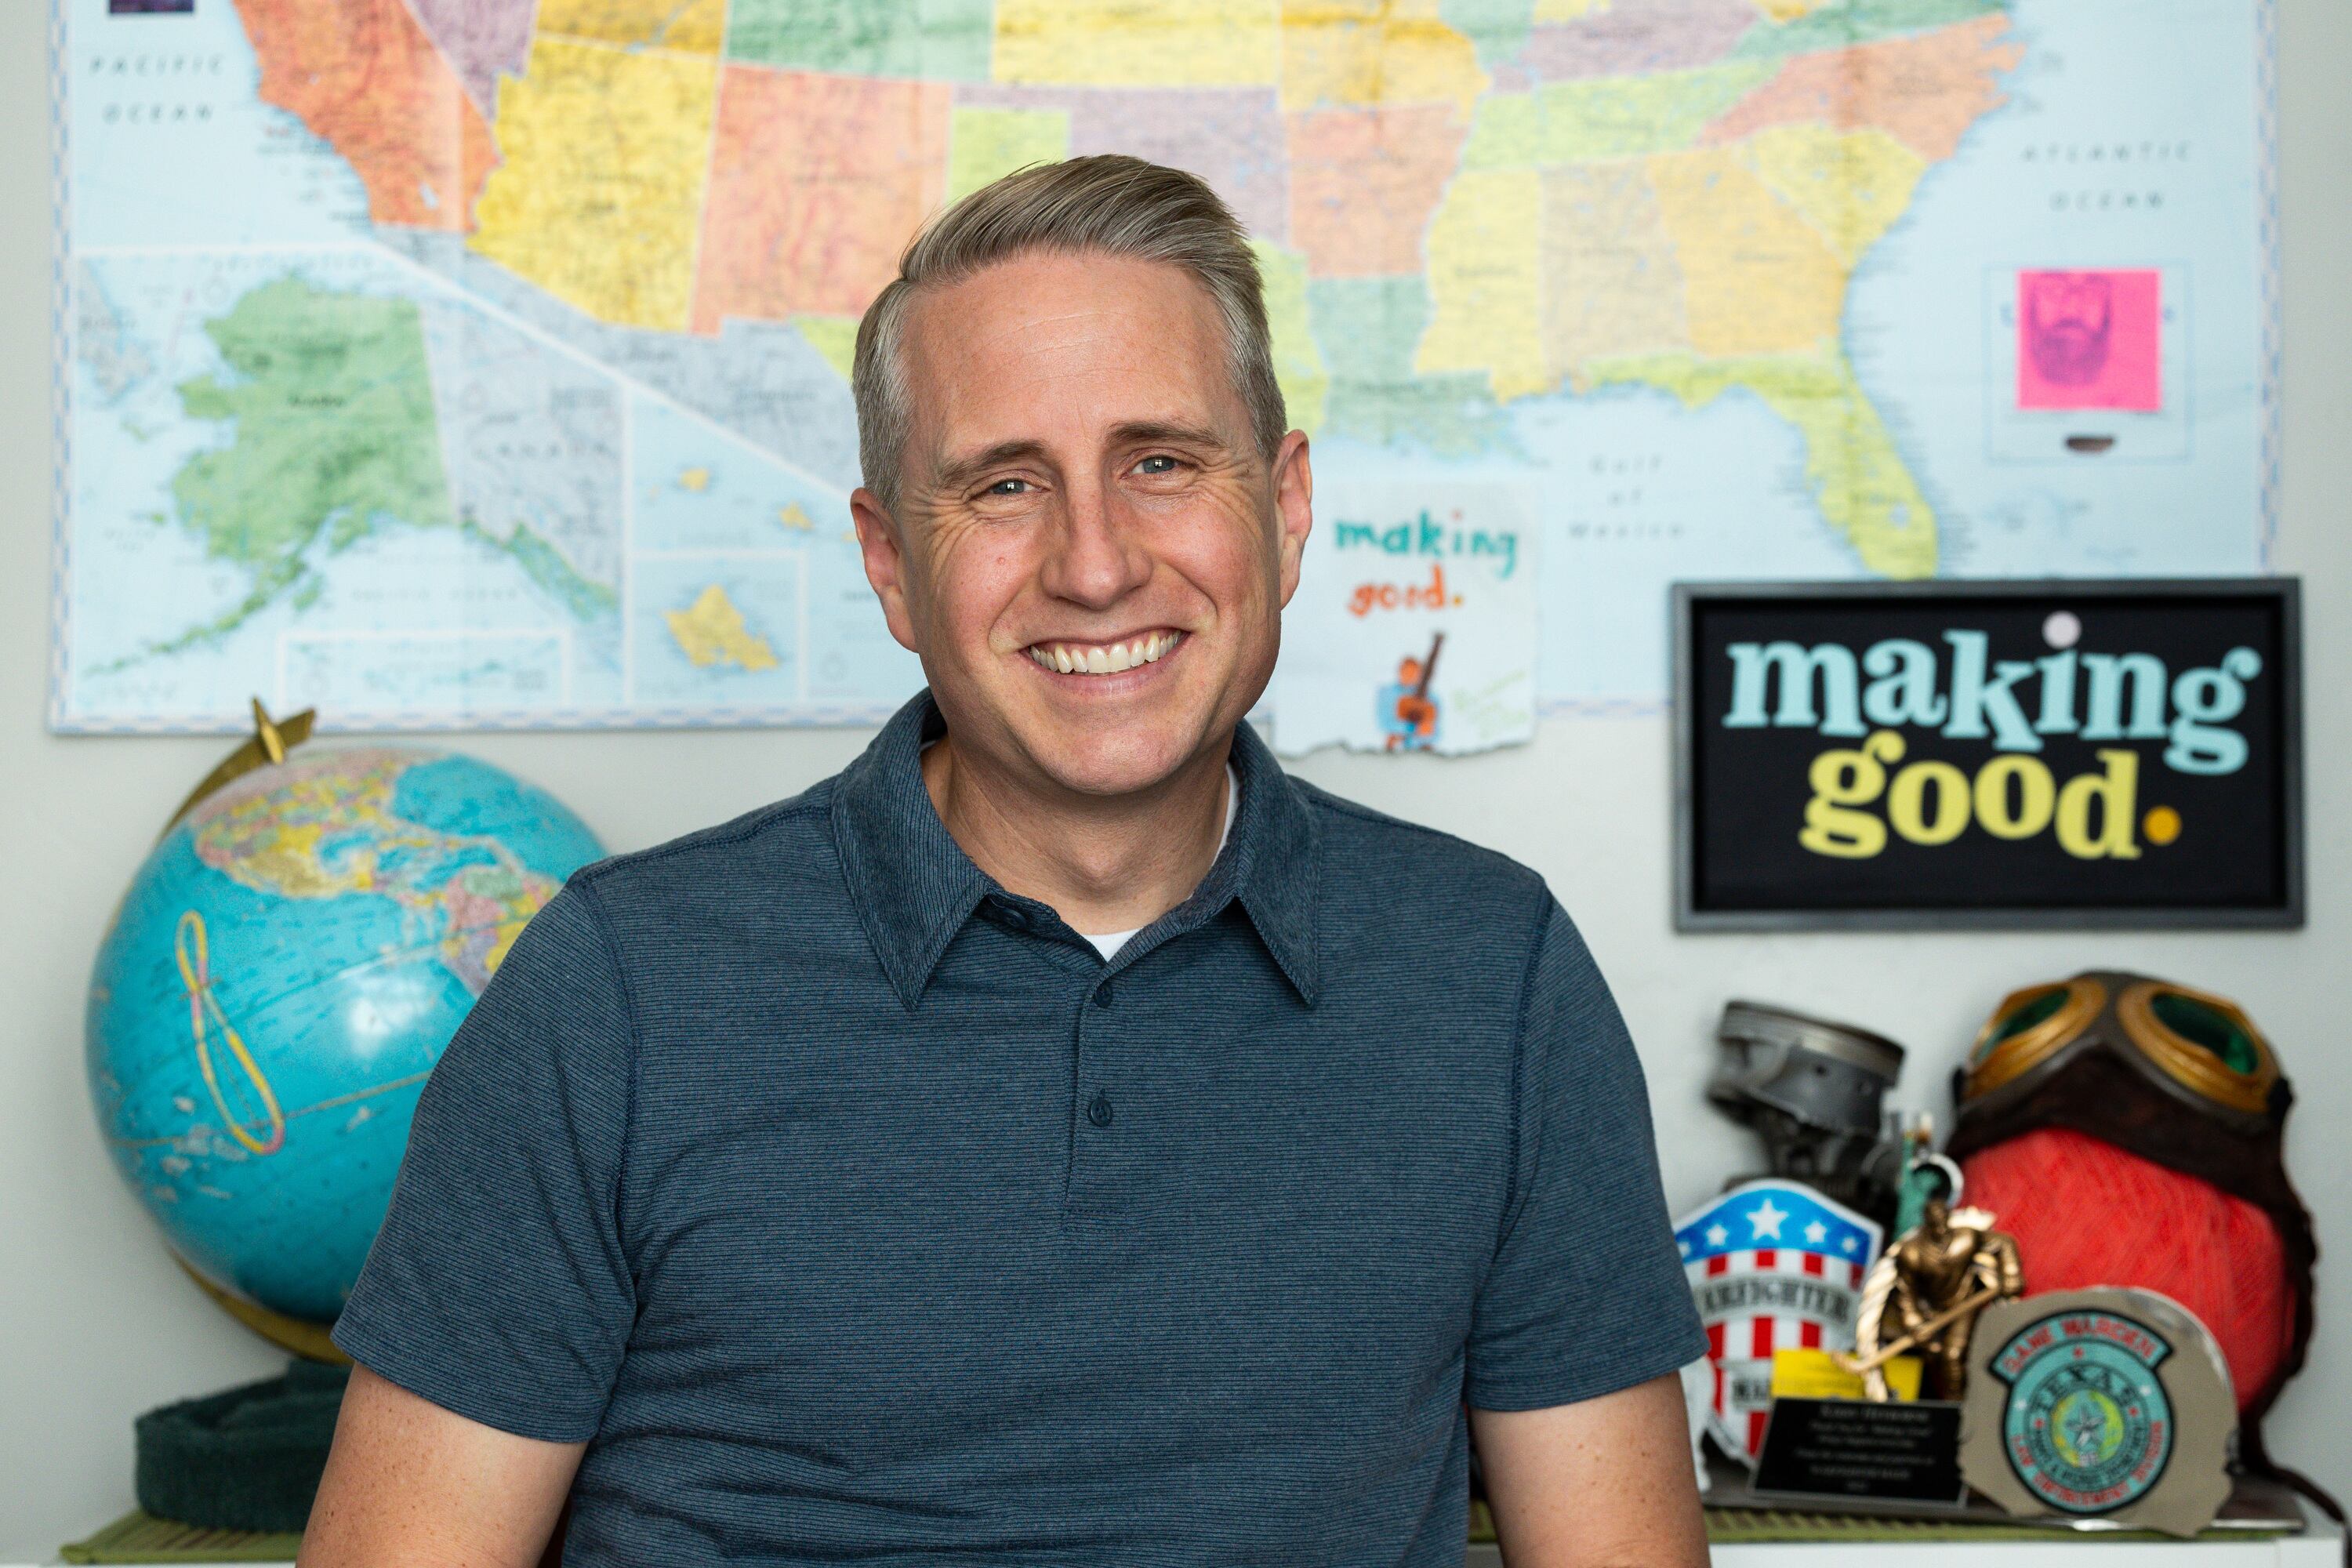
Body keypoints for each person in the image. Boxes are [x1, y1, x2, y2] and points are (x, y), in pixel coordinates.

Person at [302, 156, 1707, 1568]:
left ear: (1285, 508)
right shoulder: (616, 994)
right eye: (1004, 485)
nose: (1095, 566)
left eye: (1161, 462)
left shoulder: (1495, 979)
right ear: (890, 563)